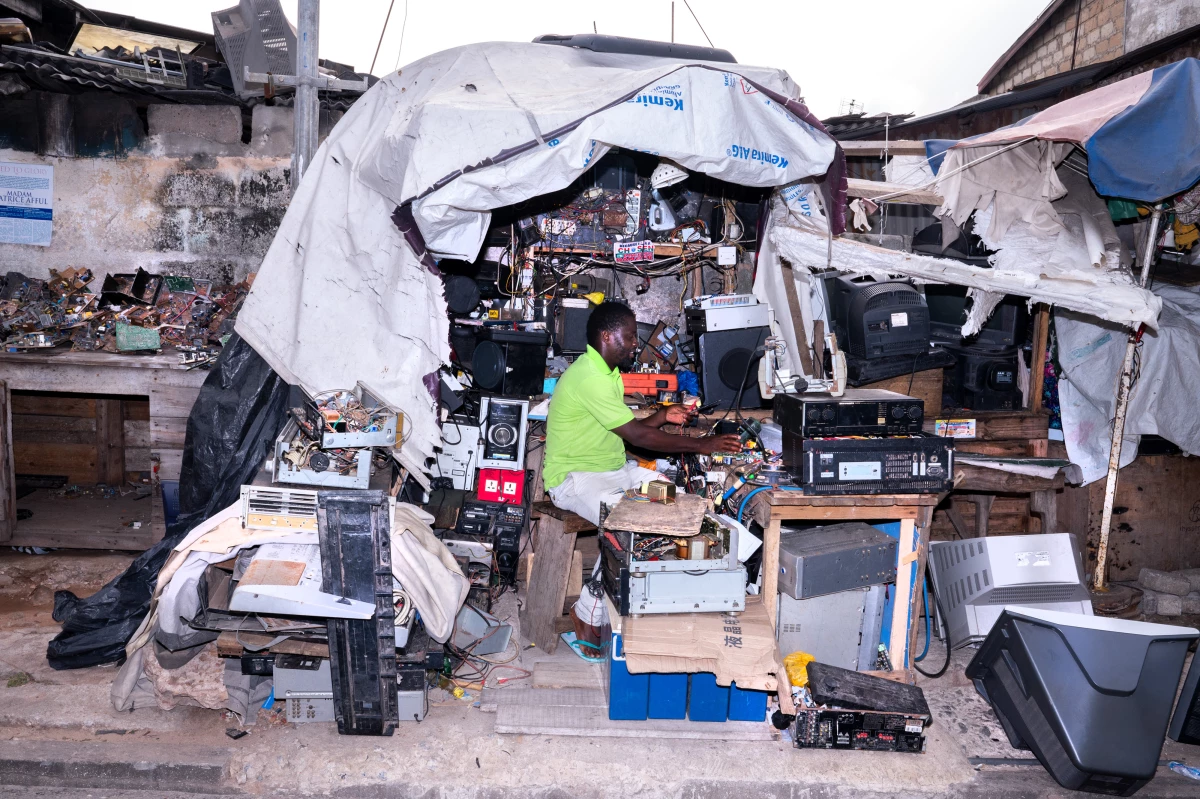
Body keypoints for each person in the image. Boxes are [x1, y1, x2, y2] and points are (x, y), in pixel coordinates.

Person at [542, 301, 742, 525]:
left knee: (681, 502)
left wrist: (663, 415)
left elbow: (628, 431)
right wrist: (701, 444)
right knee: (636, 517)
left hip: (617, 473)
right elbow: (637, 436)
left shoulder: (608, 373)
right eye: (630, 336)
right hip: (576, 479)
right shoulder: (590, 378)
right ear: (606, 336)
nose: (636, 343)